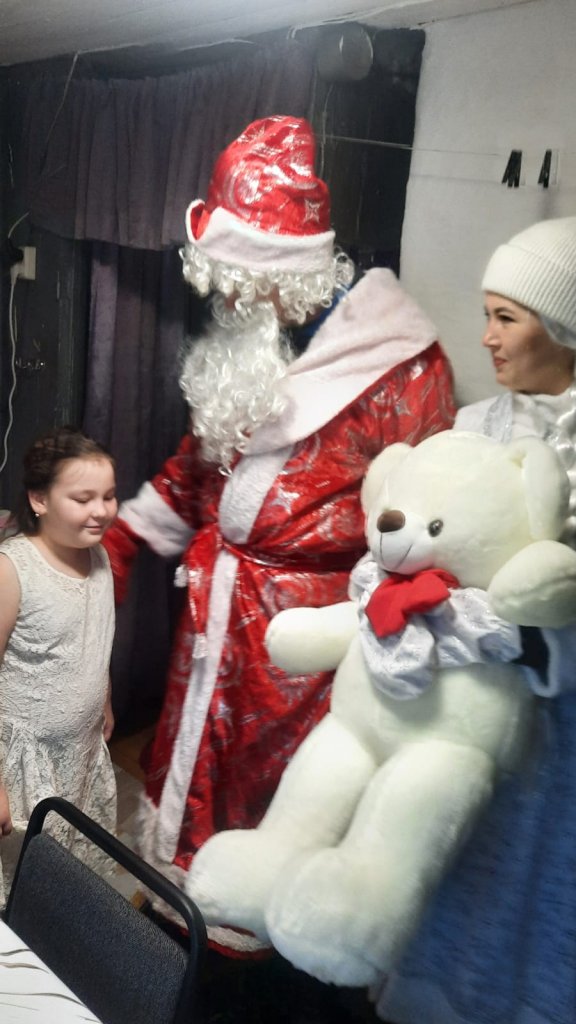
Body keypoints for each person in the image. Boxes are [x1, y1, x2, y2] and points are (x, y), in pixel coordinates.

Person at [102, 114, 456, 954]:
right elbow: (200, 464)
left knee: (271, 796)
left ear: (290, 276)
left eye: (240, 282)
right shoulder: (249, 348)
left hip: (301, 640)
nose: (225, 301)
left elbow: (429, 517)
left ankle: (247, 947)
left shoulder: (401, 369)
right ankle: (170, 914)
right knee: (186, 766)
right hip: (215, 615)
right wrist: (124, 537)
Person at [376, 215, 576, 1024]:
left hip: (557, 722)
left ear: (562, 328)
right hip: (460, 700)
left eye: (506, 317)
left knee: (534, 883)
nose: (486, 337)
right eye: (486, 314)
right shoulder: (473, 428)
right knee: (450, 861)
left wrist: (526, 636)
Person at [0, 426, 118, 905]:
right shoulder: (13, 569)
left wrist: (103, 699)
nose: (101, 510)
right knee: (19, 871)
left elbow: (96, 634)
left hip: (79, 749)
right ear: (39, 500)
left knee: (63, 863)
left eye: (109, 496)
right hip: (23, 761)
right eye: (83, 498)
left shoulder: (99, 554)